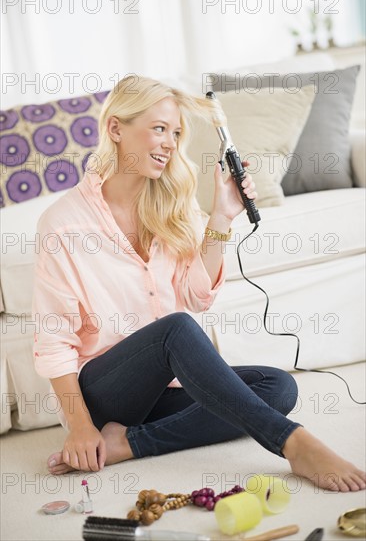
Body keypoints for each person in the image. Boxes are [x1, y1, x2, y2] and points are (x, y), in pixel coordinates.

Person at [32, 75, 365, 493]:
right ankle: (294, 443)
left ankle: (129, 444)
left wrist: (221, 217)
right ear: (115, 128)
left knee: (277, 387)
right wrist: (80, 427)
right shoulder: (63, 223)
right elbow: (53, 343)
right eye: (158, 128)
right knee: (177, 329)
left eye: (175, 132)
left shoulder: (169, 204)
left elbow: (195, 295)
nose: (170, 143)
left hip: (162, 390)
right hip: (105, 394)